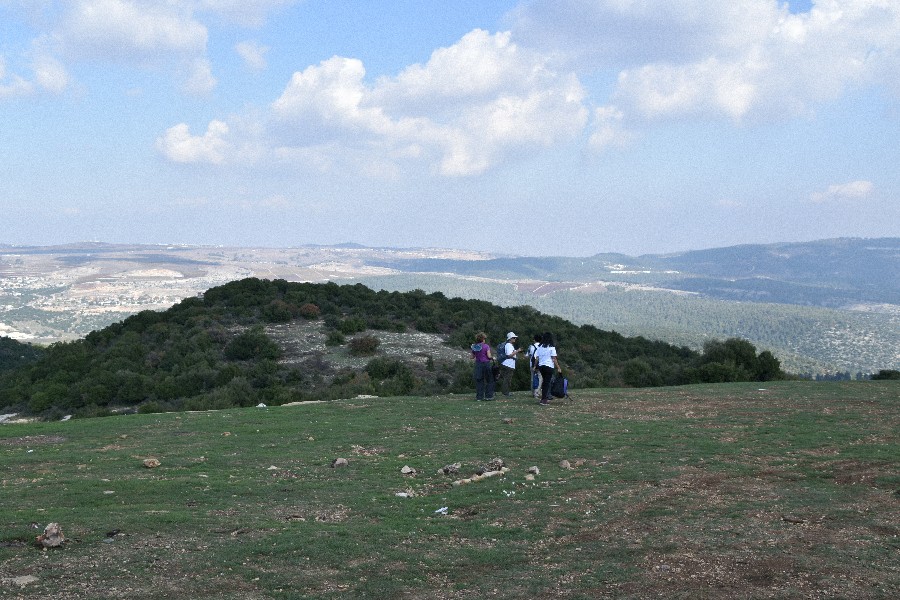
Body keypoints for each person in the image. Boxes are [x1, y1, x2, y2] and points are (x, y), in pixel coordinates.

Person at [534, 331, 561, 405]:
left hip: (541, 366)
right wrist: (558, 367)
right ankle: (544, 399)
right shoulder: (551, 347)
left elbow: (537, 358)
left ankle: (543, 398)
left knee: (544, 382)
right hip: (548, 366)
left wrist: (534, 366)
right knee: (547, 383)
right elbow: (554, 358)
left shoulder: (539, 347)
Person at [470, 332, 495, 401]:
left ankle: (479, 397)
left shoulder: (474, 346)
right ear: (483, 339)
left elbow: (472, 357)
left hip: (478, 364)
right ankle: (489, 396)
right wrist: (492, 358)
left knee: (479, 381)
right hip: (486, 364)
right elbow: (489, 356)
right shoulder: (486, 346)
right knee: (489, 380)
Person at [498, 332, 521, 397]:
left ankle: (505, 391)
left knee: (506, 378)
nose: (515, 339)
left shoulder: (509, 345)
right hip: (508, 364)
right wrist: (517, 351)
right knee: (507, 379)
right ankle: (506, 392)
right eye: (514, 338)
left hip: (507, 364)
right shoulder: (508, 345)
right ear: (510, 339)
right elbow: (509, 355)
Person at [526, 333, 542, 399]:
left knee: (533, 378)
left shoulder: (531, 347)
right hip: (540, 364)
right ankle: (537, 392)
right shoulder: (542, 346)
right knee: (540, 378)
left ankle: (533, 392)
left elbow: (527, 356)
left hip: (532, 365)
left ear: (534, 340)